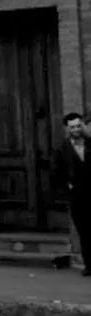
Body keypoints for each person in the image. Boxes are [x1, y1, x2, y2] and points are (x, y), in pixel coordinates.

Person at [51, 112, 91, 276]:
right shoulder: (62, 149)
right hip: (78, 195)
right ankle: (90, 265)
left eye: (78, 126)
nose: (76, 129)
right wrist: (67, 187)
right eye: (72, 127)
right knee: (85, 231)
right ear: (67, 128)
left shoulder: (90, 143)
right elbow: (56, 173)